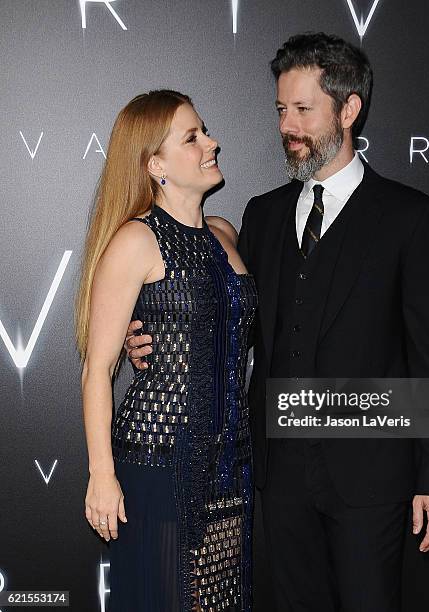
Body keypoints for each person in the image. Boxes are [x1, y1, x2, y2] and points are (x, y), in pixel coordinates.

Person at [127, 34, 429, 611]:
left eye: (304, 109)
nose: (288, 124)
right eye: (282, 109)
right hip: (277, 477)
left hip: (371, 481)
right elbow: (233, 318)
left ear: (349, 109)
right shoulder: (265, 213)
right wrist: (154, 340)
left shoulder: (412, 218)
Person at [75, 89, 257, 612]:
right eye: (193, 137)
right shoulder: (137, 241)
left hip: (230, 461)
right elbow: (97, 368)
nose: (212, 142)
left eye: (206, 131)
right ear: (156, 165)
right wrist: (102, 475)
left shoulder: (225, 233)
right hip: (159, 461)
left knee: (220, 602)